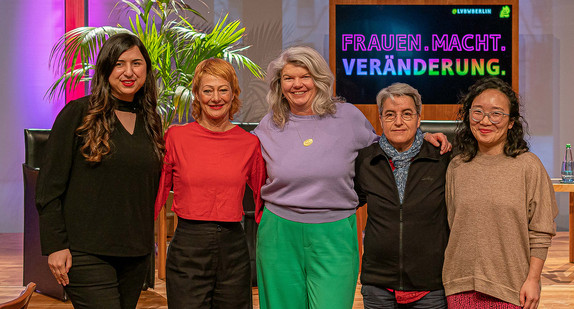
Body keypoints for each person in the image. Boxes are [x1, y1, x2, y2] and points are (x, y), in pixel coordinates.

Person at [253, 46, 450, 309]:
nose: (297, 84)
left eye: (306, 76)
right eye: (289, 78)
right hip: (279, 231)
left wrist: (422, 137)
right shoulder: (267, 125)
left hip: (335, 231)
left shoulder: (347, 117)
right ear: (279, 84)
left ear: (320, 79)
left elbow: (387, 146)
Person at [36, 33, 164, 308]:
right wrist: (55, 245)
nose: (129, 72)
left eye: (137, 63)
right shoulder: (78, 113)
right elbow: (49, 186)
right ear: (106, 69)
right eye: (119, 64)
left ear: (146, 70)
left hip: (135, 254)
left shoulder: (151, 121)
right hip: (86, 251)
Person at [154, 58, 266, 309]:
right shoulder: (176, 137)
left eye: (223, 89)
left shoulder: (249, 143)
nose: (216, 98)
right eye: (208, 90)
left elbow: (264, 200)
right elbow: (157, 194)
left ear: (233, 93)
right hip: (188, 247)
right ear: (196, 94)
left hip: (233, 249)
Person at [443, 77, 558, 309]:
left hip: (511, 288)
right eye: (478, 112)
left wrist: (533, 280)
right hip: (459, 285)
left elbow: (541, 231)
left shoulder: (529, 166)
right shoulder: (457, 166)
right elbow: (452, 224)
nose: (485, 121)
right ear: (468, 116)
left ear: (511, 123)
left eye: (496, 114)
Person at [355, 83, 450, 308]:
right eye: (390, 115)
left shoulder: (443, 158)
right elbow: (347, 202)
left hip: (431, 285)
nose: (398, 122)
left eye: (407, 114)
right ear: (380, 119)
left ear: (418, 118)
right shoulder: (366, 160)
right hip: (378, 283)